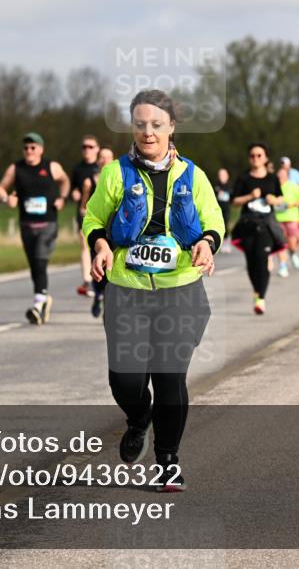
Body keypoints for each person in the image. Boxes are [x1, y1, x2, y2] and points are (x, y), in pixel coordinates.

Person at [83, 89, 223, 493]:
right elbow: (94, 217)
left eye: (156, 124)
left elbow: (213, 220)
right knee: (125, 381)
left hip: (179, 290)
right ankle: (137, 417)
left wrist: (206, 243)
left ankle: (168, 461)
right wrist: (102, 243)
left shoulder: (193, 175)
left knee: (169, 377)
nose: (148, 132)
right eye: (141, 124)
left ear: (171, 127)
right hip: (127, 289)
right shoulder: (115, 174)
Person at [0, 132, 70, 325]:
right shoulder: (16, 168)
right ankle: (43, 299)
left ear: (41, 149)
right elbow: (1, 188)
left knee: (40, 260)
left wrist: (62, 198)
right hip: (26, 224)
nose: (29, 151)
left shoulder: (51, 167)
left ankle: (37, 304)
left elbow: (65, 181)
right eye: (26, 147)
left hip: (48, 223)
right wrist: (7, 199)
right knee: (34, 266)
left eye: (33, 147)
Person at [231, 143, 284, 315]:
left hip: (266, 224)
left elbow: (281, 198)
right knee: (252, 262)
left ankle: (261, 297)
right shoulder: (243, 179)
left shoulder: (272, 178)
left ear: (265, 158)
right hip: (248, 224)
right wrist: (249, 196)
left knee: (262, 258)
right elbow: (234, 201)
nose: (255, 158)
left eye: (259, 155)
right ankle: (256, 290)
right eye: (252, 156)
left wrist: (273, 200)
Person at [78, 146, 114, 318]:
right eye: (102, 157)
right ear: (98, 160)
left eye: (108, 157)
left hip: (114, 229)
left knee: (111, 264)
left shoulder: (119, 179)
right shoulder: (90, 181)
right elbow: (83, 206)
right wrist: (86, 214)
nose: (105, 160)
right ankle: (98, 294)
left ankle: (107, 299)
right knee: (97, 260)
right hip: (98, 228)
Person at [71, 135, 101, 297]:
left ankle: (101, 279)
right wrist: (74, 193)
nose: (87, 150)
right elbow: (73, 188)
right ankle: (86, 280)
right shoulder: (78, 169)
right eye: (84, 147)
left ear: (97, 149)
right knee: (84, 244)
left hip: (102, 214)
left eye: (90, 146)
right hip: (84, 212)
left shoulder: (104, 167)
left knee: (99, 246)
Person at [274, 165, 299, 277]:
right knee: (281, 243)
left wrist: (292, 204)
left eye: (282, 175)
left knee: (291, 242)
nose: (280, 176)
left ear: (287, 176)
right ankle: (283, 266)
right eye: (279, 175)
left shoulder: (292, 186)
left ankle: (293, 253)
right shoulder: (274, 187)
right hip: (277, 218)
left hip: (292, 217)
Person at [214, 168, 232, 250]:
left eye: (223, 175)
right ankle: (219, 241)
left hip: (226, 208)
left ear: (227, 176)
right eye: (220, 175)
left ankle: (226, 242)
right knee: (217, 224)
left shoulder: (230, 186)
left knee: (225, 224)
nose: (221, 177)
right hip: (218, 208)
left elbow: (232, 196)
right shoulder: (216, 185)